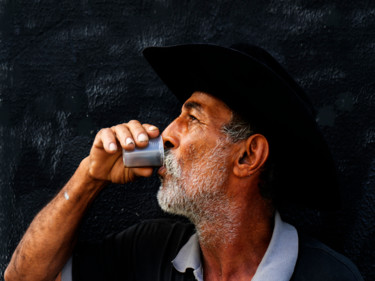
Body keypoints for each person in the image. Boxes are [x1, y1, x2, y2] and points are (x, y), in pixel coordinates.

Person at [4, 44, 363, 281]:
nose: (167, 134)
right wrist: (90, 175)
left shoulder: (329, 275)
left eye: (192, 119)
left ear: (247, 156)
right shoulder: (149, 251)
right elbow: (23, 278)